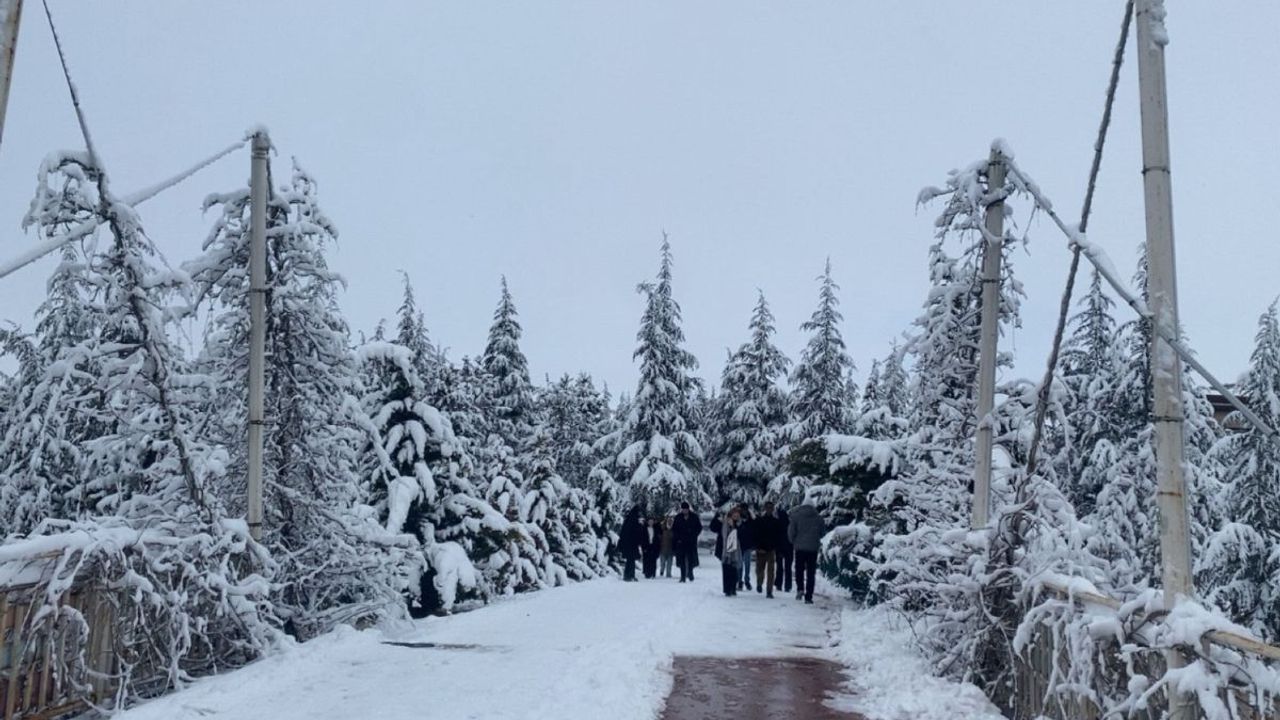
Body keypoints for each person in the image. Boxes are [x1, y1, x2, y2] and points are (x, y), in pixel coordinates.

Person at [788, 496, 825, 604]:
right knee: (810, 573)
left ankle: (800, 588)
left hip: (800, 548)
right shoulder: (818, 518)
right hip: (813, 548)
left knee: (799, 570)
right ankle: (809, 596)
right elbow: (822, 532)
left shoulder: (796, 516)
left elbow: (791, 532)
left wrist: (793, 541)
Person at [753, 501, 782, 599]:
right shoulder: (760, 521)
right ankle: (759, 583)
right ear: (765, 509)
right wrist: (757, 547)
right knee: (760, 569)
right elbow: (756, 534)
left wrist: (777, 548)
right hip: (761, 549)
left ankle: (769, 591)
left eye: (771, 508)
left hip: (771, 549)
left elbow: (778, 537)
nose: (769, 509)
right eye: (768, 508)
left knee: (770, 571)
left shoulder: (776, 522)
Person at [671, 501, 703, 582]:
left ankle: (690, 573)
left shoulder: (694, 517)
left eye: (686, 509)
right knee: (681, 560)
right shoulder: (678, 517)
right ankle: (682, 576)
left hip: (691, 542)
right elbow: (674, 529)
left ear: (688, 509)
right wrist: (677, 538)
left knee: (691, 559)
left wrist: (694, 535)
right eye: (683, 509)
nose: (685, 511)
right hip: (681, 542)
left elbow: (699, 528)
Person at [618, 506, 644, 582]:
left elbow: (623, 532)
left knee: (630, 560)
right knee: (631, 560)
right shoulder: (634, 520)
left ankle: (629, 575)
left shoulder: (628, 519)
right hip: (632, 544)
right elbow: (637, 533)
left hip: (628, 544)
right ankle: (629, 575)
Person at [720, 508, 742, 597]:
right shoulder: (727, 523)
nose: (736, 516)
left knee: (734, 570)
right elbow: (725, 536)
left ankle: (733, 588)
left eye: (737, 515)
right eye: (734, 514)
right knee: (727, 569)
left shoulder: (739, 523)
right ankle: (727, 589)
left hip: (736, 549)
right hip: (728, 549)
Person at [774, 505, 793, 594]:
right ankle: (788, 586)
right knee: (788, 568)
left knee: (779, 567)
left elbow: (777, 538)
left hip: (779, 548)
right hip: (789, 549)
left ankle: (779, 583)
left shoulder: (777, 524)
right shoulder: (789, 524)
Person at [737, 505, 755, 591]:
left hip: (747, 545)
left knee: (747, 565)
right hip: (739, 545)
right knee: (740, 565)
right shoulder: (738, 519)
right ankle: (740, 581)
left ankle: (747, 581)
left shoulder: (751, 519)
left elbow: (753, 531)